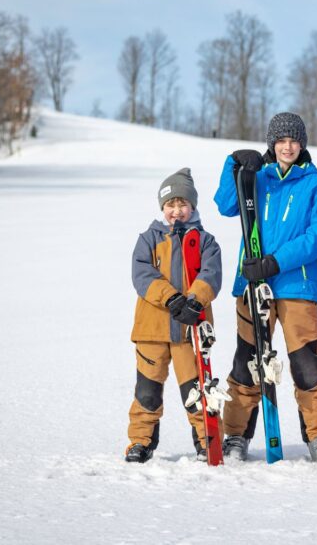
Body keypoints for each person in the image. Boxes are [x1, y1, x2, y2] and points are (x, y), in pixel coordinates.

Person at [213, 112, 317, 463]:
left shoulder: (316, 183)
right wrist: (233, 164)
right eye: (281, 140)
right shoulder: (257, 178)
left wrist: (276, 262)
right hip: (253, 283)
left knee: (307, 364)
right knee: (246, 362)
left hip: (298, 285)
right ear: (271, 143)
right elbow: (226, 205)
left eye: (294, 140)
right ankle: (235, 435)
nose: (287, 146)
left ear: (302, 144)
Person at [125, 168, 223, 463]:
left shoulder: (205, 241)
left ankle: (206, 440)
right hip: (151, 329)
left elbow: (211, 274)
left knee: (195, 390)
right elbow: (142, 275)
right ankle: (140, 441)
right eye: (171, 204)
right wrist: (171, 298)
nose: (177, 211)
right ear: (162, 207)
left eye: (183, 204)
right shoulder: (148, 239)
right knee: (147, 391)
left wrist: (194, 301)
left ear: (192, 206)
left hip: (189, 330)